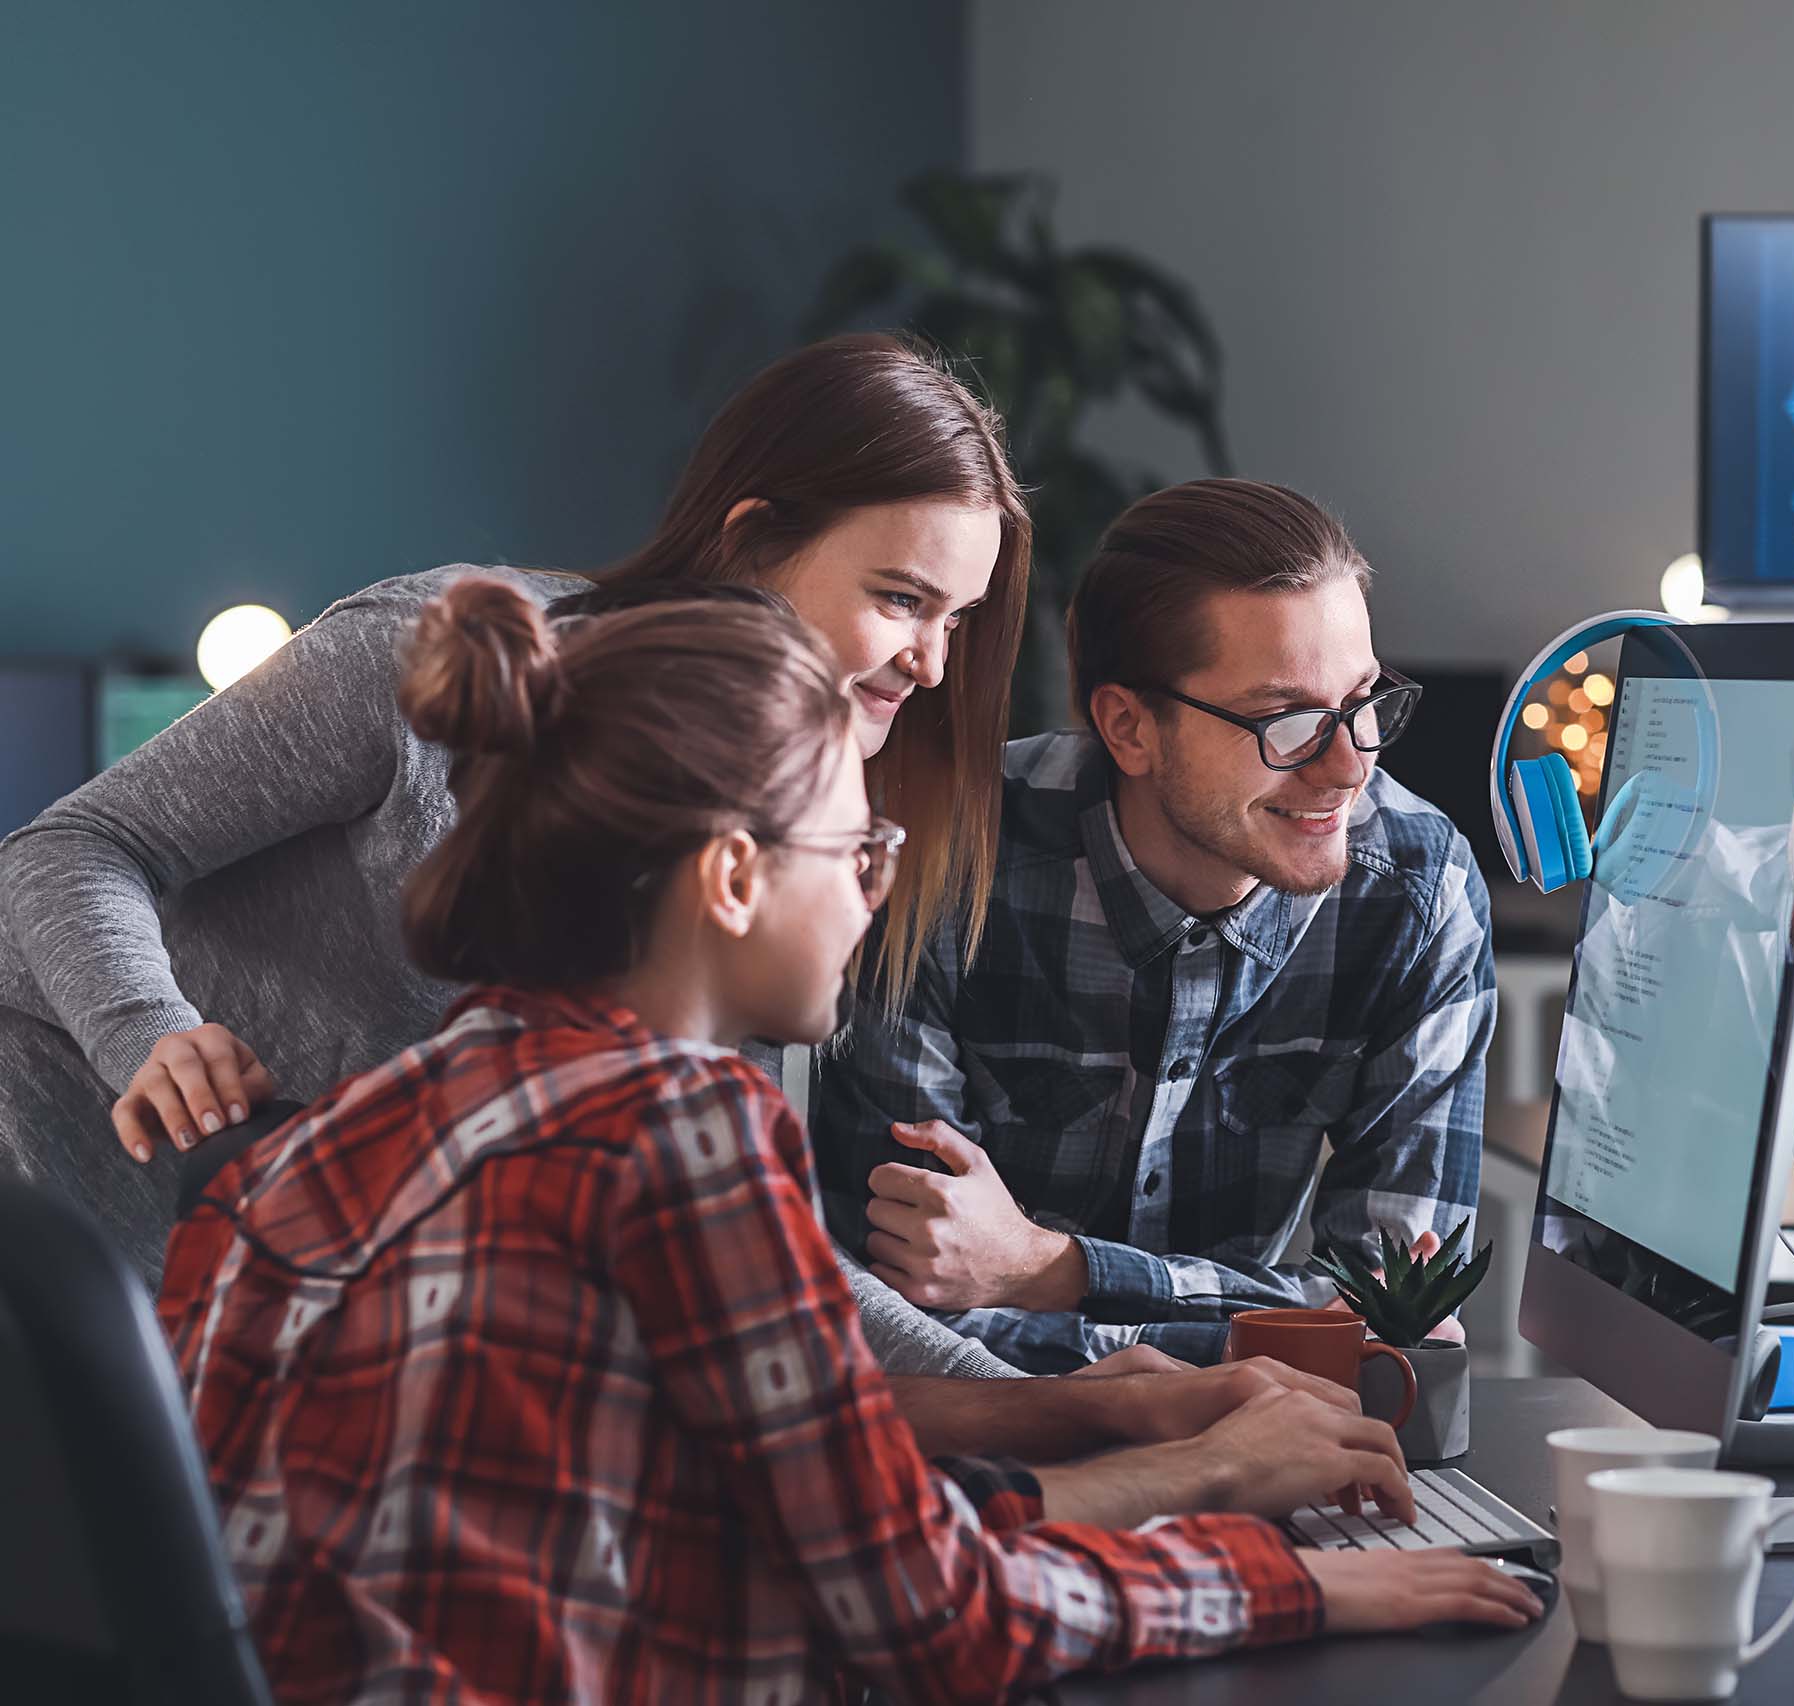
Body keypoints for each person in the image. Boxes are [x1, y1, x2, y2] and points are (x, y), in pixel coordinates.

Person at [157, 581, 1540, 1703]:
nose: (882, 895)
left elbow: (839, 1515)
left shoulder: (369, 1115)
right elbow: (935, 1616)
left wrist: (1106, 1417)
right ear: (737, 876)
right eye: (858, 852)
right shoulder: (678, 1131)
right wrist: (1276, 1572)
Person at [0, 337, 1021, 1381]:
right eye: (901, 599)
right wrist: (150, 1035)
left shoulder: (759, 842)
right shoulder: (420, 655)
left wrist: (1046, 1395)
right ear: (753, 540)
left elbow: (754, 1265)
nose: (933, 663)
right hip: (54, 1214)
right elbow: (66, 847)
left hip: (270, 1328)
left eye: (959, 619)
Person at [817, 479, 1498, 1368]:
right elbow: (907, 1308)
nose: (1347, 767)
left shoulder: (1418, 896)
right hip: (992, 1447)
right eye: (1288, 721)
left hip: (1268, 1447)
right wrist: (1257, 1335)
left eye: (1363, 702)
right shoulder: (947, 864)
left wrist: (1054, 1269)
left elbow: (1400, 1323)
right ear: (1129, 728)